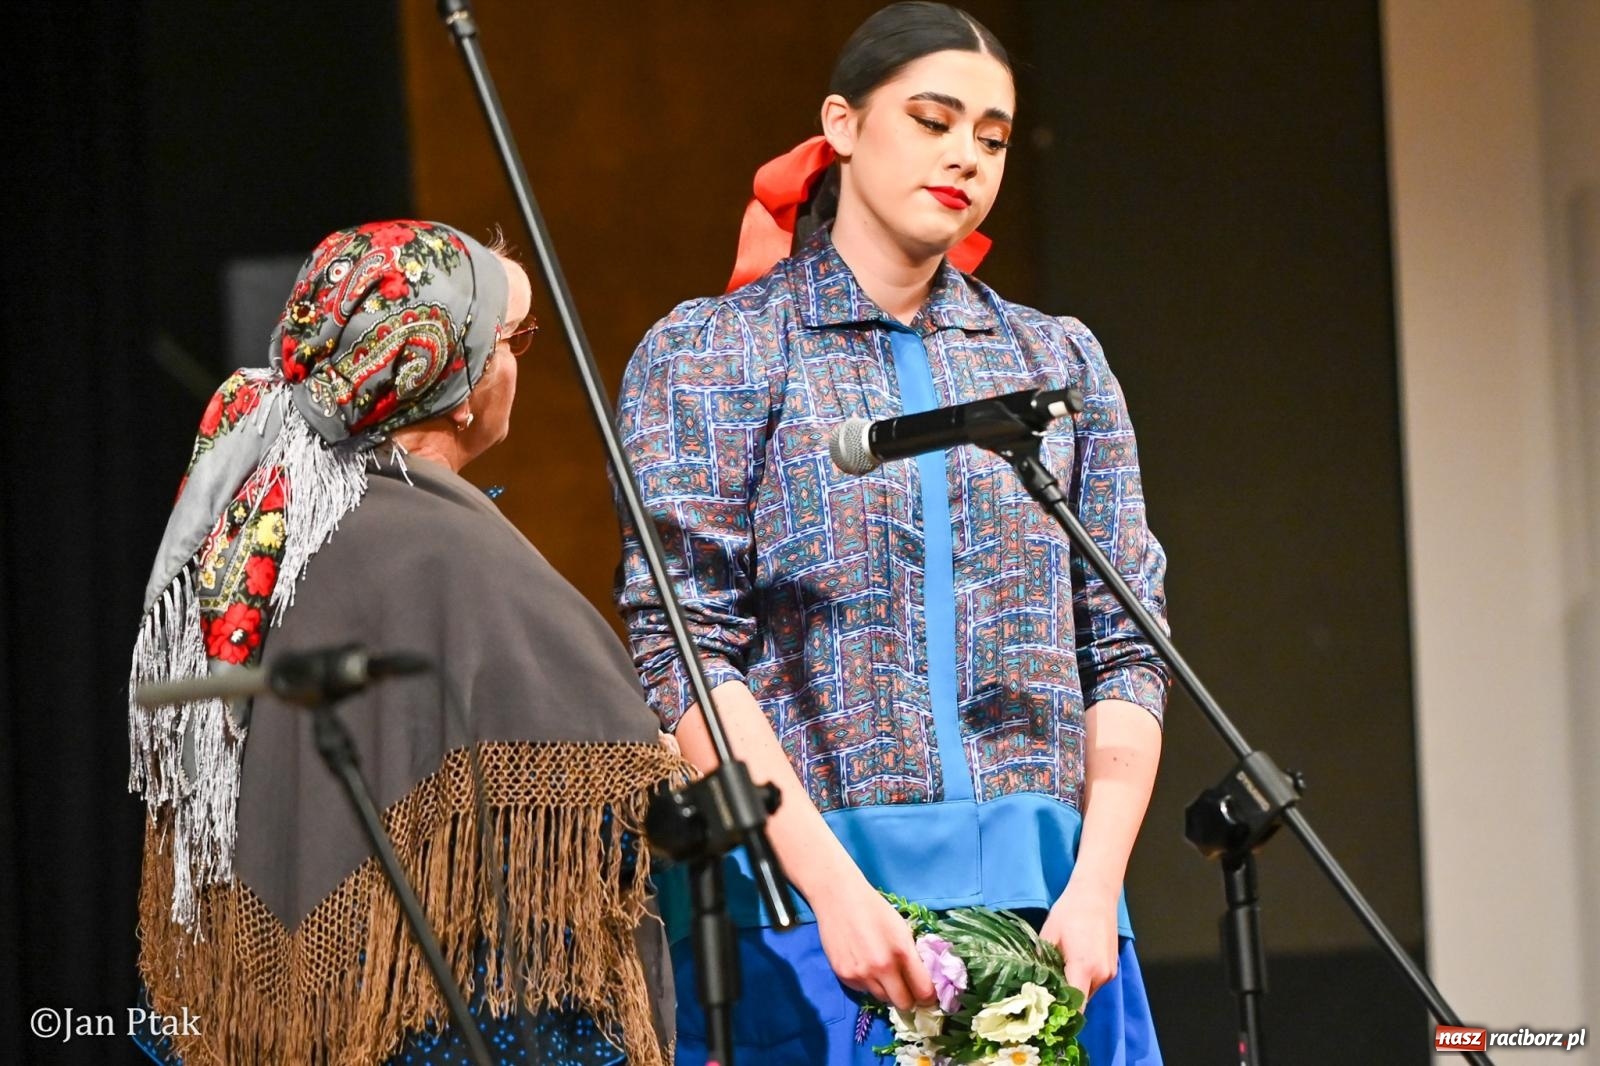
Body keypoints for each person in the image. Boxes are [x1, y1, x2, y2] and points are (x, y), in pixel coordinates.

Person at [614, 4, 1169, 1064]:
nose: (965, 153)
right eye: (931, 118)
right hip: (807, 910)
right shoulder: (717, 349)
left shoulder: (1054, 359)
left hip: (1056, 920)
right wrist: (833, 891)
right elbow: (681, 646)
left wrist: (1095, 886)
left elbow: (1128, 642)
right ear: (844, 123)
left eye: (993, 137)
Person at [129, 220, 681, 1066]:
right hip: (432, 1024)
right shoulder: (454, 555)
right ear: (453, 376)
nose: (514, 366)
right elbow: (603, 804)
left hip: (239, 1025)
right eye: (512, 340)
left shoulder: (258, 528)